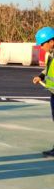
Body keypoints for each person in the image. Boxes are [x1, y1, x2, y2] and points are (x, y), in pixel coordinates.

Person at [32, 26, 54, 157]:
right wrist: (40, 76)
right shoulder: (51, 55)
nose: (41, 47)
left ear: (51, 41)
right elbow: (48, 69)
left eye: (42, 44)